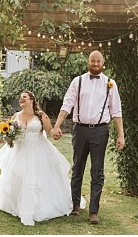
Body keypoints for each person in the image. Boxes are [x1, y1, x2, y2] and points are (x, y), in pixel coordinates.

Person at [0, 91, 85, 226]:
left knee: (36, 179)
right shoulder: (16, 116)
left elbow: (50, 131)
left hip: (37, 152)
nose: (21, 99)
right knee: (17, 177)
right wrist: (3, 137)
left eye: (24, 97)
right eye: (20, 98)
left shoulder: (41, 115)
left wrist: (56, 133)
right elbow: (9, 133)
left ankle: (38, 205)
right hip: (19, 152)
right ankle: (14, 203)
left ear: (31, 100)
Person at [51, 50, 125, 225]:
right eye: (93, 61)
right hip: (80, 130)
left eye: (98, 61)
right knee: (77, 168)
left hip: (100, 131)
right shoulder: (78, 81)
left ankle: (94, 211)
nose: (95, 64)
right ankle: (75, 205)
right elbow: (67, 103)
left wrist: (121, 135)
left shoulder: (110, 84)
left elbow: (116, 111)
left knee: (97, 171)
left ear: (103, 63)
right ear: (88, 62)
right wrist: (57, 124)